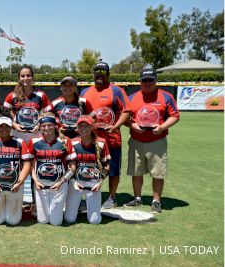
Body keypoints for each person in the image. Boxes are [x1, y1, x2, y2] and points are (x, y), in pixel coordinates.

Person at [124, 68, 180, 213]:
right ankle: (137, 198)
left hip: (157, 140)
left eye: (151, 80)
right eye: (144, 80)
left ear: (156, 80)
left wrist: (162, 127)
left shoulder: (166, 96)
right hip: (136, 140)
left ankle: (156, 201)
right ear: (140, 81)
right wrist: (132, 125)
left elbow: (175, 115)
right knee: (136, 172)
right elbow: (123, 117)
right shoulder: (131, 98)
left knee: (158, 173)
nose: (147, 83)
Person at [80, 61, 131, 209]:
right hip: (92, 139)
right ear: (93, 74)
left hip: (112, 138)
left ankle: (112, 197)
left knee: (113, 169)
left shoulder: (116, 90)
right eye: (97, 71)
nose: (99, 74)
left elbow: (127, 110)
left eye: (103, 72)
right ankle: (88, 196)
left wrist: (115, 126)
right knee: (89, 167)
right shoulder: (85, 92)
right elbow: (81, 114)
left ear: (108, 74)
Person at [28, 113, 77, 226]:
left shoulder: (65, 141)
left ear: (55, 126)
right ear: (40, 127)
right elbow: (28, 164)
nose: (46, 128)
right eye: (43, 125)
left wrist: (62, 181)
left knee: (56, 222)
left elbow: (73, 167)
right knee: (43, 221)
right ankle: (37, 209)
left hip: (59, 184)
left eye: (49, 125)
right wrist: (35, 180)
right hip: (40, 183)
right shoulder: (34, 141)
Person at [65, 115, 110, 225]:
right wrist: (73, 182)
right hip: (76, 183)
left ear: (92, 127)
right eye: (80, 126)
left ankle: (87, 206)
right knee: (69, 219)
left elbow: (107, 165)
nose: (83, 129)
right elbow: (67, 166)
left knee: (95, 221)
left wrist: (100, 181)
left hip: (93, 183)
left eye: (86, 126)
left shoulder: (101, 142)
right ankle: (78, 206)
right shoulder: (72, 143)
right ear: (77, 128)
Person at [3, 65, 52, 142]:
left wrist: (39, 124)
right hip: (17, 134)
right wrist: (14, 124)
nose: (25, 78)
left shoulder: (41, 95)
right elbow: (4, 114)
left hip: (36, 134)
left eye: (28, 75)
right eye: (23, 76)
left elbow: (48, 114)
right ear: (19, 78)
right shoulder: (12, 96)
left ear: (32, 77)